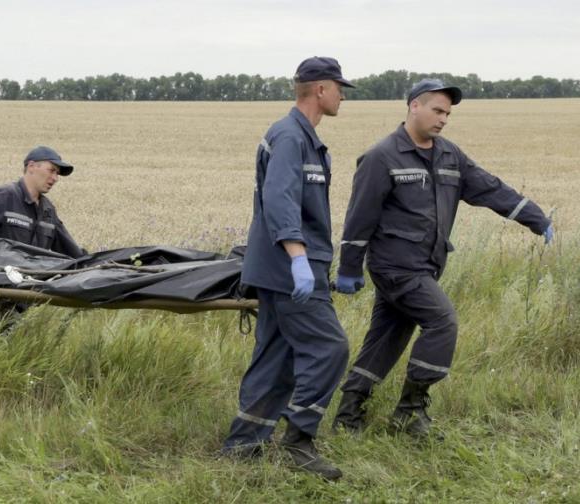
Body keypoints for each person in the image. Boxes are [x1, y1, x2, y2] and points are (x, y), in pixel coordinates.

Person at [332, 79, 554, 438]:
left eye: (447, 114)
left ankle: (349, 413)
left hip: (426, 266)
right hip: (395, 267)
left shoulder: (449, 155)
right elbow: (360, 216)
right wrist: (348, 267)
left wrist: (535, 217)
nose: (443, 119)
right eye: (437, 110)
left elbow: (488, 187)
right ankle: (410, 409)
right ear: (414, 106)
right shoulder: (381, 157)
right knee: (442, 321)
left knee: (388, 336)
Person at [220, 57, 354, 480]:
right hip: (290, 268)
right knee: (330, 348)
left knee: (275, 357)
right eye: (338, 87)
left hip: (285, 267)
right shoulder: (290, 137)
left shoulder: (303, 138)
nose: (342, 95)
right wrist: (299, 259)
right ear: (319, 89)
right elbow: (279, 199)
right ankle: (299, 440)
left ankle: (244, 444)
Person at [0, 146, 85, 328]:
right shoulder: (5, 196)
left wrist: (98, 265)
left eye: (57, 174)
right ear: (31, 166)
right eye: (52, 171)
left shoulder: (48, 211)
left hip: (28, 297)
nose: (55, 178)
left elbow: (71, 252)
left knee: (26, 342)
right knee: (11, 338)